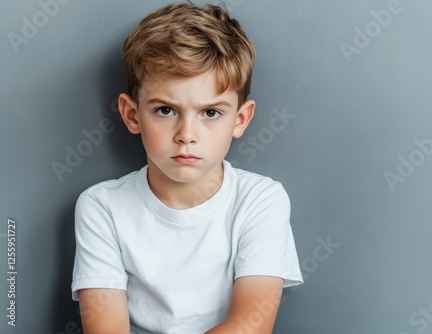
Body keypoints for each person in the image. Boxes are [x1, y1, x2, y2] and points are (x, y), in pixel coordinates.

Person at [71, 2, 303, 333]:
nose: (186, 136)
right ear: (132, 115)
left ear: (240, 120)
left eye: (210, 113)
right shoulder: (101, 207)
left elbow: (251, 324)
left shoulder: (261, 200)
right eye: (166, 110)